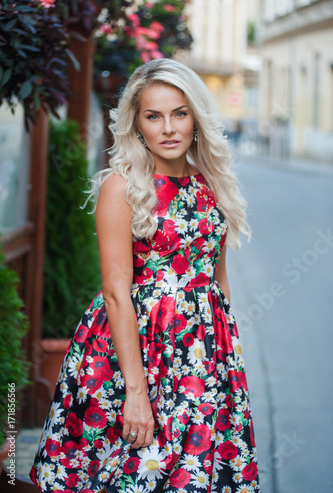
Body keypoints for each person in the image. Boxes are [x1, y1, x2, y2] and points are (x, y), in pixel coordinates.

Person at [30, 59, 260, 493]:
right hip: (135, 352)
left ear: (196, 116)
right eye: (154, 116)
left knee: (196, 474)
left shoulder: (210, 183)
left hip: (202, 355)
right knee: (135, 473)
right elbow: (116, 292)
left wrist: (225, 359)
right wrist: (136, 391)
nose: (169, 128)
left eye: (180, 112)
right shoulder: (123, 186)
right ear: (137, 123)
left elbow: (218, 280)